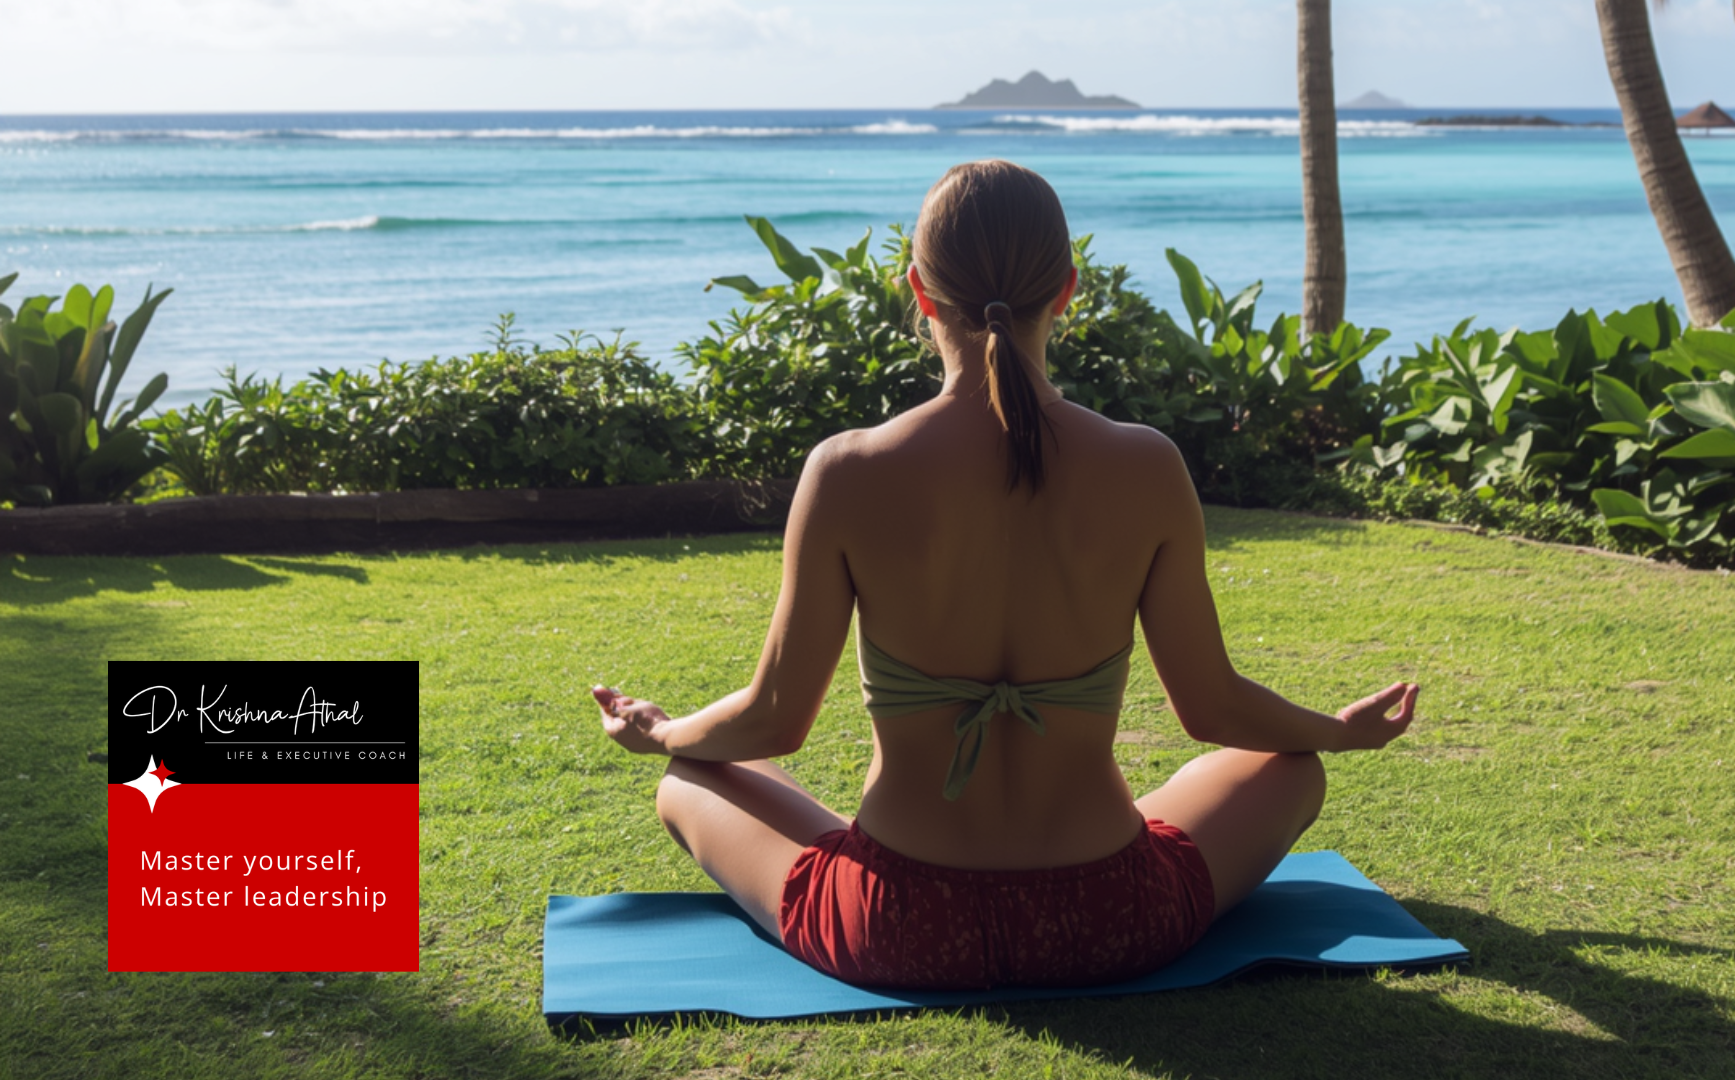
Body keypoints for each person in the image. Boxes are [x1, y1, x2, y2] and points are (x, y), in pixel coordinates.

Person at [593, 159, 1416, 991]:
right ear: (1067, 290)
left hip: (901, 924)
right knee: (1291, 765)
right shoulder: (1147, 466)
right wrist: (1339, 731)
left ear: (919, 291)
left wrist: (662, 731)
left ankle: (849, 827)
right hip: (1114, 917)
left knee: (696, 773)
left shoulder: (846, 470)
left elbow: (772, 721)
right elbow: (1211, 709)